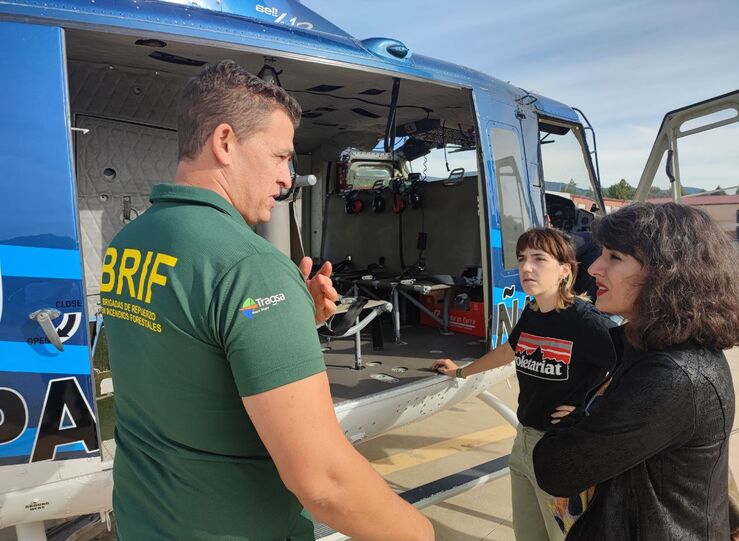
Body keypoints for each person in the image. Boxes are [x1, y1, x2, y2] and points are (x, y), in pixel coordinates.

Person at [101, 60, 434, 541]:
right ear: (225, 142)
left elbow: (188, 355)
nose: (287, 179)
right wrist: (421, 534)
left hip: (148, 521)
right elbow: (324, 482)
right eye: (280, 156)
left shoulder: (128, 243)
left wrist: (296, 319)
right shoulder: (249, 267)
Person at [533, 202, 739, 540]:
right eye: (601, 253)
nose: (595, 267)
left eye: (614, 257)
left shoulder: (671, 376)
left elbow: (555, 468)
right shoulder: (658, 351)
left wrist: (578, 417)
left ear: (667, 273)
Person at [432, 227, 616, 541]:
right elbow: (508, 350)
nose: (526, 268)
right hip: (523, 445)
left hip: (562, 450)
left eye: (539, 259)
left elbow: (634, 369)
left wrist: (589, 411)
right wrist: (461, 372)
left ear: (564, 270)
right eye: (522, 259)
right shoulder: (532, 314)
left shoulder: (587, 322)